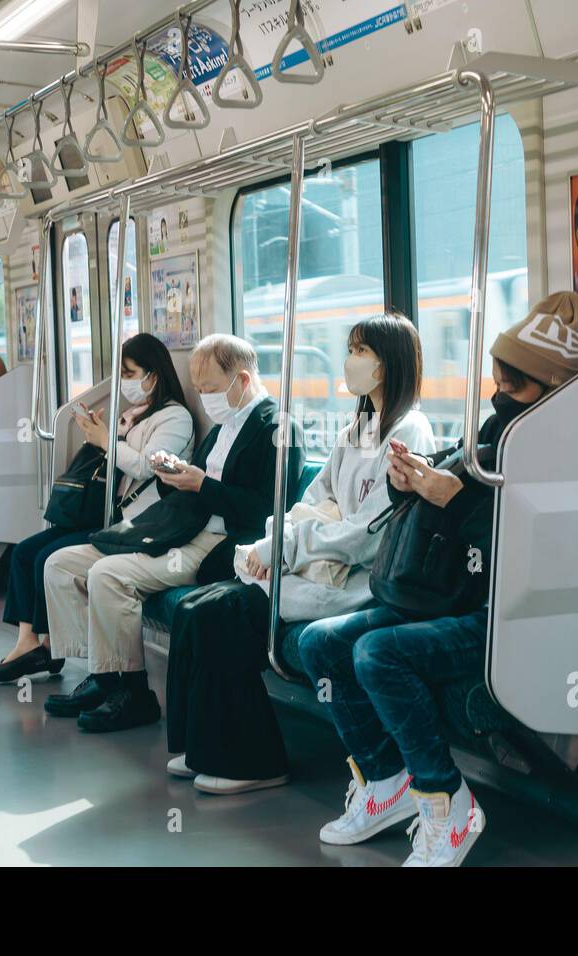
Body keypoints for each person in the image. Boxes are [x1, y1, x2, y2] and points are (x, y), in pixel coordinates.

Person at [298, 290, 578, 867]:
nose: (500, 395)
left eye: (516, 387)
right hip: (451, 595)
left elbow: (529, 555)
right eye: (497, 382)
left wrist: (451, 500)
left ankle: (449, 805)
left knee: (378, 654)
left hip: (505, 617)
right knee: (320, 642)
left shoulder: (564, 452)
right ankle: (385, 781)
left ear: (552, 391)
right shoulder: (491, 437)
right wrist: (420, 485)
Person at [164, 313, 434, 794]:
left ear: (388, 363)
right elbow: (314, 501)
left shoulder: (409, 432)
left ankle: (254, 761)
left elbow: (367, 534)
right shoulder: (357, 429)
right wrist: (279, 539)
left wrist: (286, 547)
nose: (350, 362)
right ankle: (205, 745)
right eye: (351, 349)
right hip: (316, 563)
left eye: (361, 352)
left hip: (357, 579)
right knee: (195, 607)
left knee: (222, 612)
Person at [40, 333, 301, 732]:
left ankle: (131, 693)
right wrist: (171, 474)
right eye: (198, 389)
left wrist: (201, 485)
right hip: (177, 526)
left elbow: (268, 511)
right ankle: (101, 673)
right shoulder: (221, 429)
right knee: (60, 564)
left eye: (210, 388)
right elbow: (193, 490)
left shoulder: (277, 428)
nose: (204, 397)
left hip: (215, 541)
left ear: (243, 381)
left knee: (107, 576)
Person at [0, 333, 193, 682]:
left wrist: (107, 440)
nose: (125, 383)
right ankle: (27, 641)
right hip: (106, 513)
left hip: (137, 524)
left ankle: (52, 647)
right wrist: (102, 433)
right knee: (24, 552)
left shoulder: (176, 418)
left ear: (153, 375)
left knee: (45, 558)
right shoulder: (135, 415)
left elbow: (146, 466)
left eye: (130, 373)